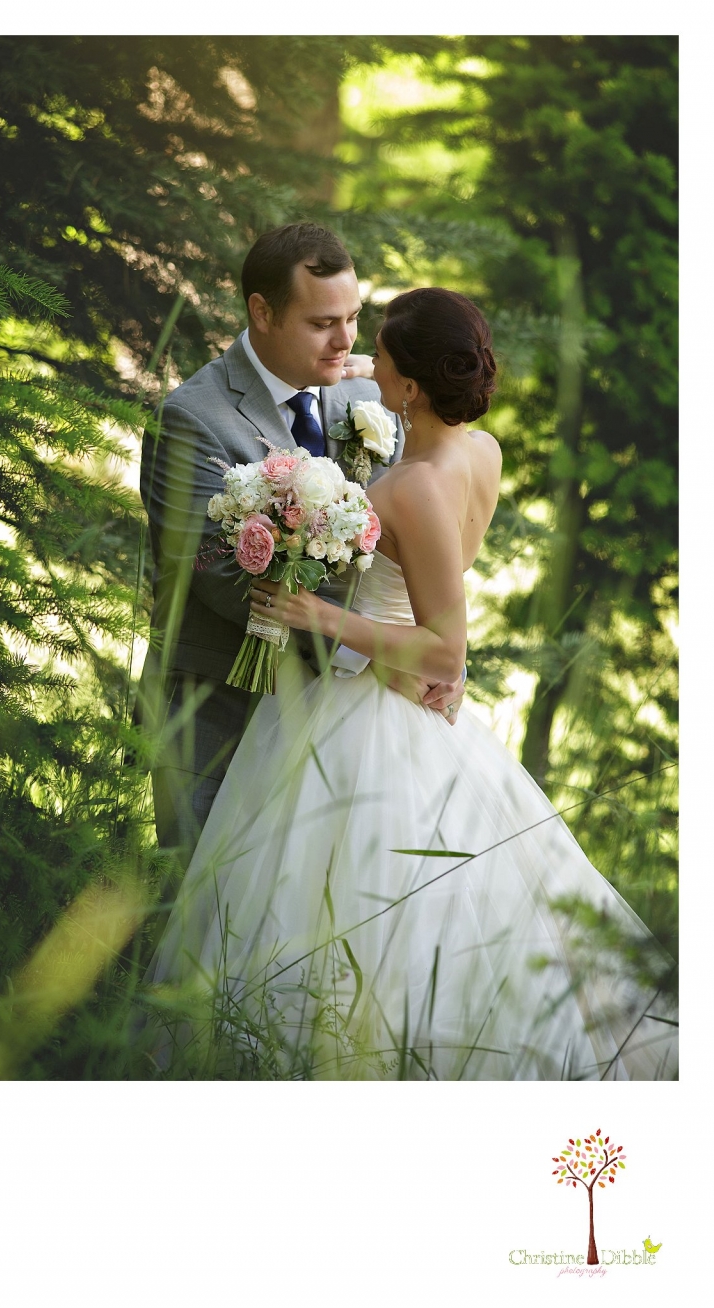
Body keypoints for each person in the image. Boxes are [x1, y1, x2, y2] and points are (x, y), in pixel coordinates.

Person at [136, 287, 678, 1081]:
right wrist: (343, 364)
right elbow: (437, 583)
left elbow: (443, 650)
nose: (365, 358)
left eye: (381, 353)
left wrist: (321, 620)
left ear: (413, 386)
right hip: (408, 709)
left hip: (362, 713)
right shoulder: (478, 452)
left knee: (338, 905)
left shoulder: (416, 485)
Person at [137, 223, 464, 871]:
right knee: (203, 911)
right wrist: (369, 652)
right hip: (218, 704)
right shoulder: (194, 418)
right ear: (262, 312)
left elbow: (412, 540)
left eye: (353, 318)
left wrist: (431, 653)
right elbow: (217, 573)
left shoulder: (366, 395)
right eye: (322, 323)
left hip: (347, 721)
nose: (346, 341)